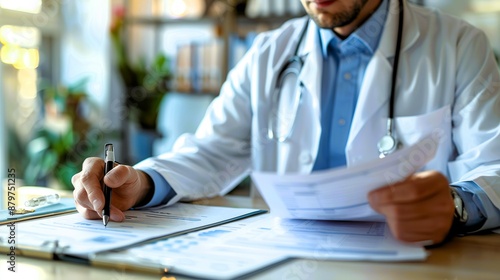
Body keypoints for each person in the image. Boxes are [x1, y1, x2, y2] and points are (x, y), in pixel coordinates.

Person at [73, 0, 500, 245]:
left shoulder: (459, 46)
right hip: (285, 262)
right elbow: (210, 150)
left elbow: (495, 166)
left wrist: (456, 206)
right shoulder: (268, 52)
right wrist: (140, 184)